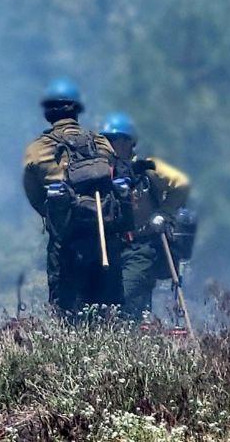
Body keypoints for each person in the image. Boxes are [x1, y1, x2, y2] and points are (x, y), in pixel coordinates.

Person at [21, 78, 122, 316]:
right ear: (77, 109)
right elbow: (114, 173)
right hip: (105, 238)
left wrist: (55, 216)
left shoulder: (37, 150)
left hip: (65, 243)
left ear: (48, 112)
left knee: (66, 312)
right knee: (108, 314)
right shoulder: (101, 143)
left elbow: (34, 194)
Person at [100, 112, 192, 321]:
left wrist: (164, 213)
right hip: (111, 248)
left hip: (142, 245)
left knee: (126, 295)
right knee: (116, 303)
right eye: (107, 140)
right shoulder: (103, 172)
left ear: (129, 142)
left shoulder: (147, 168)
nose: (111, 145)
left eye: (115, 140)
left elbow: (181, 184)